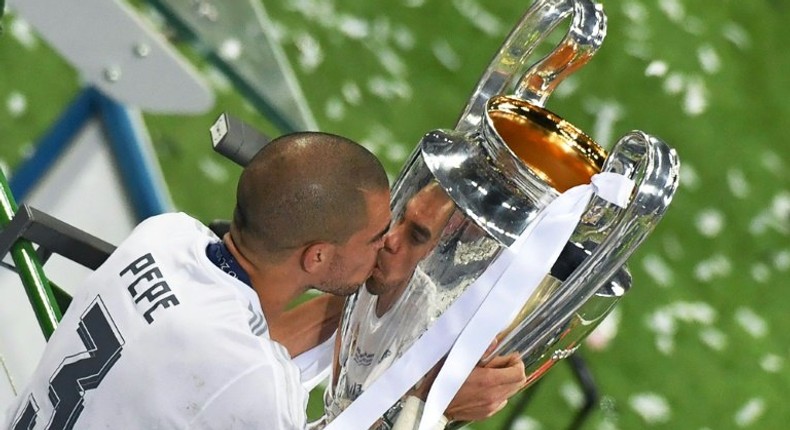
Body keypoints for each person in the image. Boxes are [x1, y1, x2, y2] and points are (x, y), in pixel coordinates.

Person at [4, 132, 521, 430]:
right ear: (317, 257)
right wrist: (431, 404)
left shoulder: (163, 236)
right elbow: (244, 375)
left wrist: (381, 315)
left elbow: (235, 352)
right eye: (375, 237)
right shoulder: (253, 386)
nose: (387, 243)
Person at [326, 182, 526, 428]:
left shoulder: (430, 333)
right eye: (397, 218)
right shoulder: (361, 278)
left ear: (434, 251)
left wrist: (431, 405)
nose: (390, 239)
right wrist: (437, 407)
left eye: (416, 237)